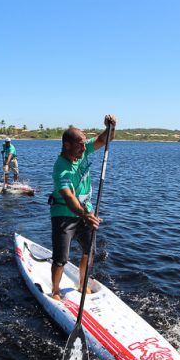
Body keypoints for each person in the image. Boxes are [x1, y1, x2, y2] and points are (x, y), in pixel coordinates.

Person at [49, 114, 117, 301]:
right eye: (79, 144)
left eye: (84, 144)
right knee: (61, 258)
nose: (83, 147)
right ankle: (55, 291)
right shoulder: (60, 169)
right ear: (67, 145)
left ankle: (82, 285)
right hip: (63, 214)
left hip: (85, 211)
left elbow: (105, 138)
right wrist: (84, 214)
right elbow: (69, 198)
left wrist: (111, 126)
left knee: (89, 250)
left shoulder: (83, 151)